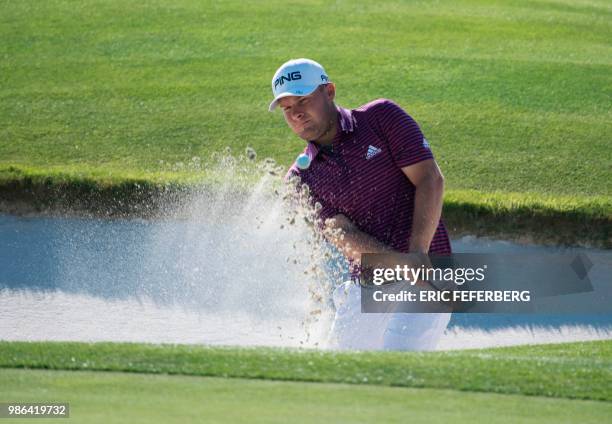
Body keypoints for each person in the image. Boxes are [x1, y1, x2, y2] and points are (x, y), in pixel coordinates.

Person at [269, 58, 452, 351]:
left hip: (431, 266)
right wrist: (403, 263)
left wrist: (417, 252)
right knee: (344, 369)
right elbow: (342, 235)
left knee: (402, 364)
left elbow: (429, 179)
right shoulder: (300, 178)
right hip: (371, 280)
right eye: (287, 108)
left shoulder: (381, 118)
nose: (297, 114)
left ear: (328, 91)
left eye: (303, 100)